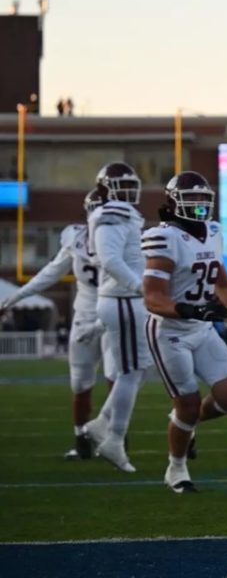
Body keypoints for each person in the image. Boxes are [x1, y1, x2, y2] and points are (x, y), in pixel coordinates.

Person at [141, 171, 227, 493]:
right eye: (191, 200)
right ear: (172, 202)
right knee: (189, 404)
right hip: (170, 333)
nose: (198, 207)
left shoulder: (213, 232)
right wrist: (191, 309)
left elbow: (221, 281)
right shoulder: (164, 238)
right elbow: (152, 296)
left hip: (201, 326)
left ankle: (186, 425)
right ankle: (176, 468)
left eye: (202, 200)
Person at [0, 189, 108, 460]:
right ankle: (82, 437)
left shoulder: (130, 240)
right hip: (85, 318)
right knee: (80, 385)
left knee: (118, 382)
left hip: (115, 318)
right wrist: (19, 295)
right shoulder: (76, 238)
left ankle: (115, 436)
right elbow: (51, 271)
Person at [82, 162, 150, 473]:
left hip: (124, 299)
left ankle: (102, 424)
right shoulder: (112, 215)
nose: (131, 190)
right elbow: (110, 260)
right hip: (123, 298)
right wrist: (139, 286)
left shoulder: (122, 214)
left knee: (136, 371)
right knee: (131, 370)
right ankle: (114, 438)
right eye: (124, 184)